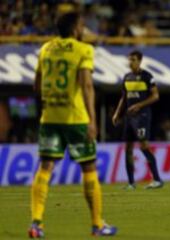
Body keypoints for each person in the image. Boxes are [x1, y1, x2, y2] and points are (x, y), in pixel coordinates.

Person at [28, 12, 117, 238]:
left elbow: (36, 86)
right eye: (82, 25)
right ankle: (97, 225)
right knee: (89, 168)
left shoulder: (45, 48)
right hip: (76, 119)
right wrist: (93, 120)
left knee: (45, 168)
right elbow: (87, 86)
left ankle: (36, 223)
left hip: (50, 118)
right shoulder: (84, 49)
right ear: (76, 28)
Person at [112, 50, 163, 190]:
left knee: (144, 146)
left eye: (133, 59)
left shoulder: (147, 76)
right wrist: (117, 113)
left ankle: (157, 179)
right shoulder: (127, 77)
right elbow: (124, 97)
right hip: (129, 117)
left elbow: (155, 96)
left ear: (140, 61)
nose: (130, 62)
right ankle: (131, 183)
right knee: (128, 148)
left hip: (142, 116)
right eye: (129, 59)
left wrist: (139, 105)